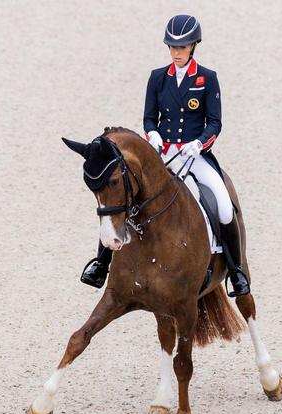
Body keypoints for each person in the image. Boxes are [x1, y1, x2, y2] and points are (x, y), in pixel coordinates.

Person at [80, 14, 250, 297]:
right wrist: (153, 135)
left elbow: (214, 122)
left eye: (181, 48)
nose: (176, 53)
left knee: (222, 203)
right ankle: (102, 262)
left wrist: (199, 144)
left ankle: (236, 272)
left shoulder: (207, 78)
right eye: (172, 48)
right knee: (123, 194)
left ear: (194, 46)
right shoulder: (158, 78)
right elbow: (149, 118)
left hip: (195, 155)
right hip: (164, 154)